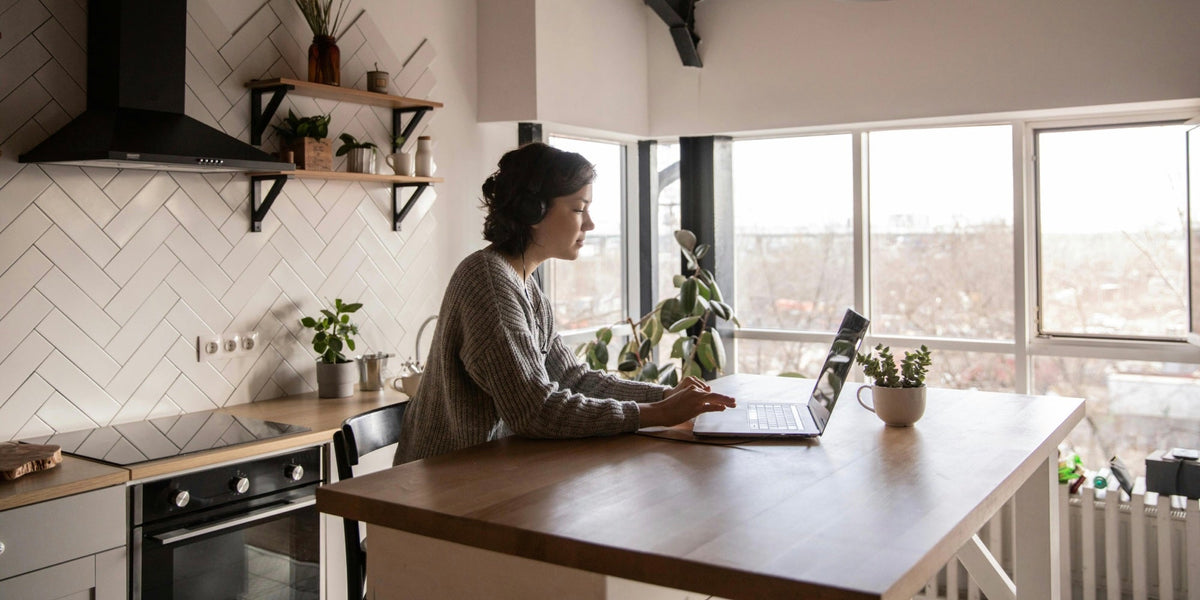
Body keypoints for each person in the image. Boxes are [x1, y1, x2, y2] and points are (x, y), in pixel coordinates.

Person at [394, 142, 736, 464]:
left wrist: (664, 396)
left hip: (485, 472)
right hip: (435, 489)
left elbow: (572, 378)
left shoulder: (524, 285)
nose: (589, 223)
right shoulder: (489, 283)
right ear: (533, 211)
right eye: (578, 209)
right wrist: (656, 414)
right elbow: (534, 410)